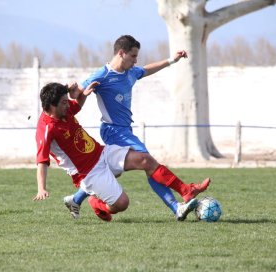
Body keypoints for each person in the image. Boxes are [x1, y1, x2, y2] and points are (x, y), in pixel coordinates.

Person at [64, 35, 211, 220]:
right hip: (113, 130)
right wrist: (70, 90)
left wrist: (172, 60)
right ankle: (182, 197)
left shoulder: (131, 72)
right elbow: (78, 92)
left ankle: (80, 200)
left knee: (111, 171)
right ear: (121, 53)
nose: (136, 60)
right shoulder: (102, 75)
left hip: (125, 130)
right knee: (147, 161)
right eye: (133, 56)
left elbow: (147, 70)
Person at [34, 82, 210, 221]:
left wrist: (82, 94)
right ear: (51, 106)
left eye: (67, 101)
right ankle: (96, 203)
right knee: (123, 204)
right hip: (88, 173)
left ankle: (186, 190)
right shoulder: (46, 129)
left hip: (101, 153)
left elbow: (77, 105)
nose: (68, 105)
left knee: (145, 159)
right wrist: (41, 188)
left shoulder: (63, 110)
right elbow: (41, 161)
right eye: (64, 102)